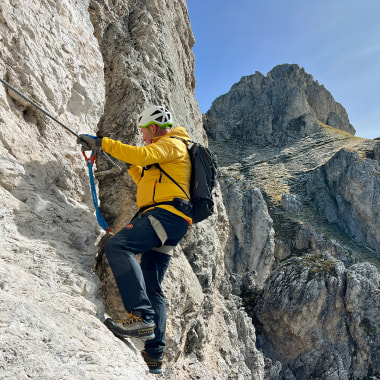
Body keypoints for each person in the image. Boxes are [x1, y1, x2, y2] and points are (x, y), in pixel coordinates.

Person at [77, 105, 192, 374]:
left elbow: (142, 153)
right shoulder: (168, 156)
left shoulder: (173, 144)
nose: (143, 137)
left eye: (144, 132)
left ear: (153, 128)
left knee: (119, 246)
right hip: (173, 222)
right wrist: (132, 166)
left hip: (164, 216)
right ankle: (154, 355)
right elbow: (145, 175)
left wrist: (102, 144)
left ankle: (140, 316)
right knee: (153, 285)